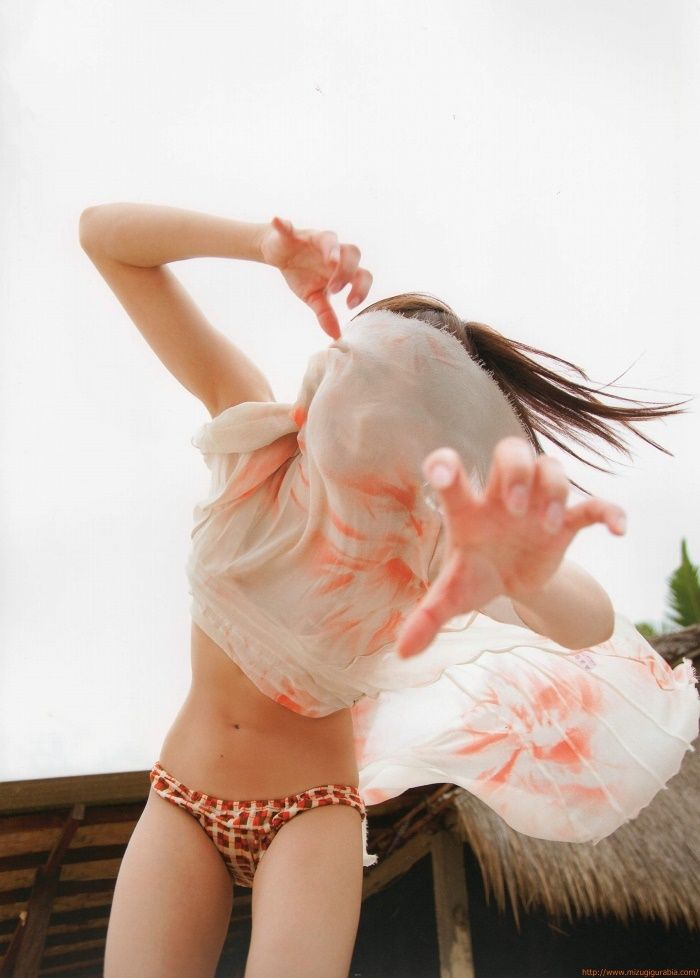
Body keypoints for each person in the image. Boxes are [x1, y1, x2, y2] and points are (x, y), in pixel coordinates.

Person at [79, 204, 700, 978]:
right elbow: (103, 238)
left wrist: (526, 566)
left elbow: (587, 623)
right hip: (182, 797)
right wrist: (259, 245)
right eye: (358, 371)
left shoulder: (422, 550)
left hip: (309, 817)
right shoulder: (252, 442)